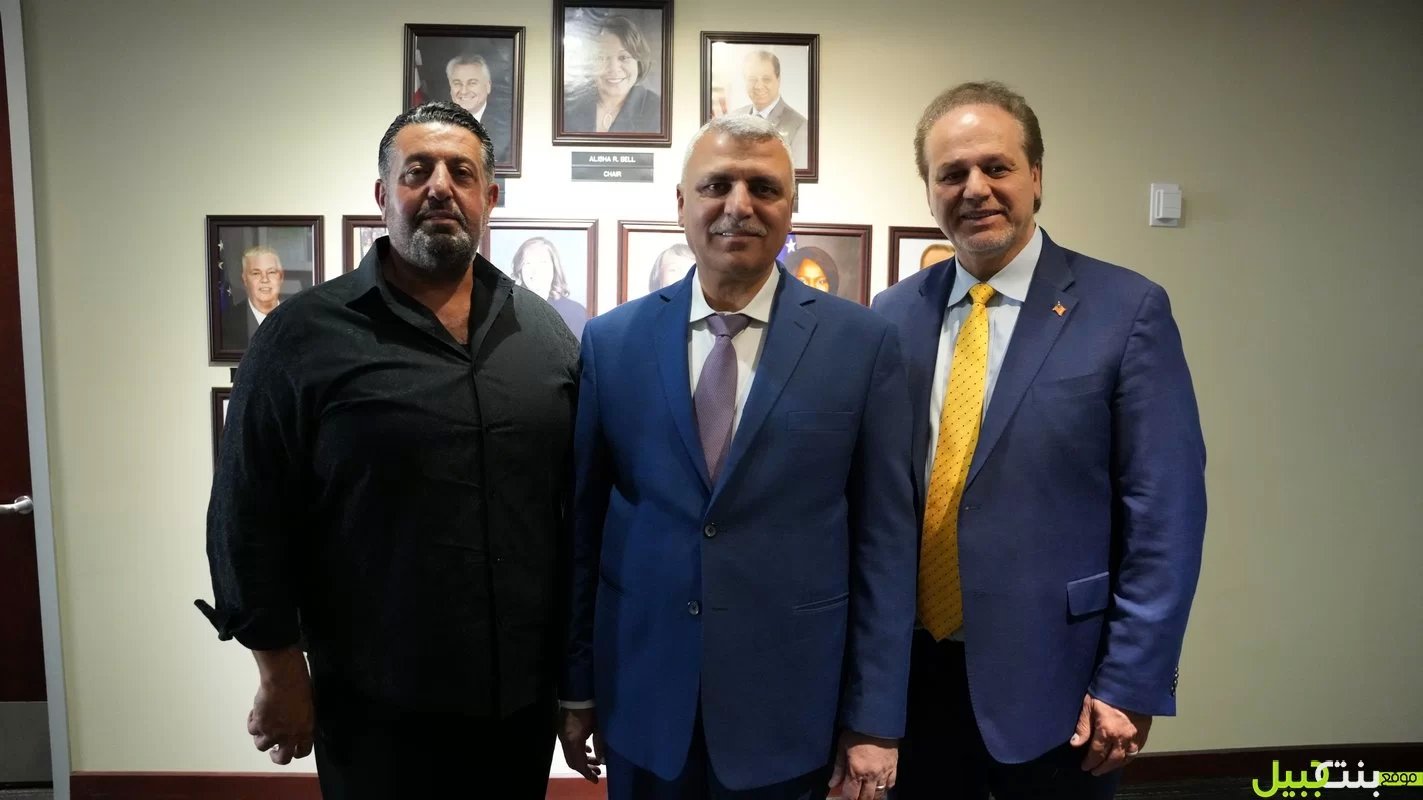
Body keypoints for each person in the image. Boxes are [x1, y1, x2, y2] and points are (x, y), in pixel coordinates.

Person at [196, 101, 579, 800]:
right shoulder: (302, 337)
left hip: (518, 706)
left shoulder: (544, 335)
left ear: (490, 198)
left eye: (461, 172)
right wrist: (279, 673)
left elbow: (571, 515)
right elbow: (246, 515)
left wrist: (576, 684)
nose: (439, 187)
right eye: (416, 171)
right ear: (382, 195)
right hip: (374, 707)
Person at [557, 114, 918, 800]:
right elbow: (584, 528)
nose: (739, 205)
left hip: (791, 711)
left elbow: (885, 545)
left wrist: (874, 718)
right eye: (716, 185)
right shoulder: (612, 341)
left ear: (791, 209)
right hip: (642, 700)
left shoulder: (863, 345)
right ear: (681, 204)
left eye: (764, 188)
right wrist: (576, 687)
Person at [871, 81, 1207, 799]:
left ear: (1036, 177)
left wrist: (1131, 681)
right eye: (951, 173)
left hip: (1061, 680)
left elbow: (1165, 514)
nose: (974, 189)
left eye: (995, 166)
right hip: (914, 678)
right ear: (928, 192)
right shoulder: (891, 315)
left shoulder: (1126, 310)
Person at [563, 15, 661, 134]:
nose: (613, 69)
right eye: (601, 58)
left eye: (623, 57)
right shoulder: (567, 105)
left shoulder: (658, 111)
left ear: (639, 62)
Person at [730, 50, 807, 167]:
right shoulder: (733, 119)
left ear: (778, 80)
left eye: (766, 79)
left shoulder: (799, 126)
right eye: (752, 79)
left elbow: (798, 174)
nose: (758, 86)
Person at [512, 236, 588, 338]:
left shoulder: (574, 312)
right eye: (528, 263)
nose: (535, 271)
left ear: (554, 269)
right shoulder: (508, 310)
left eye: (542, 263)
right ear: (520, 270)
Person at [446, 52, 511, 164]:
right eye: (457, 83)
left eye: (472, 83)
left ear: (488, 86)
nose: (464, 91)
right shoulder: (436, 125)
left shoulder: (509, 127)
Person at [220, 245, 285, 351]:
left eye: (271, 272)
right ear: (245, 279)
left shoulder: (299, 319)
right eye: (256, 273)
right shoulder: (226, 323)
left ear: (281, 277)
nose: (265, 279)